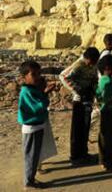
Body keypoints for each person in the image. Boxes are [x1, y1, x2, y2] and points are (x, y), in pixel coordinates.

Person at [59, 47, 100, 165]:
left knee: (85, 128)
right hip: (79, 100)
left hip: (88, 99)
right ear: (87, 58)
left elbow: (94, 79)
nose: (93, 64)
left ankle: (83, 153)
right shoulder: (78, 65)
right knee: (77, 129)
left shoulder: (92, 65)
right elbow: (63, 76)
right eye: (92, 61)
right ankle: (75, 156)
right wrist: (77, 89)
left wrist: (93, 89)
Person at [18, 60, 54, 189]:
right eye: (34, 74)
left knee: (34, 156)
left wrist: (43, 93)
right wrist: (45, 94)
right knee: (31, 157)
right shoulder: (27, 92)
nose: (38, 77)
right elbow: (38, 107)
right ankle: (29, 181)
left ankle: (31, 179)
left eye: (39, 74)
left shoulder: (32, 89)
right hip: (31, 128)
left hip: (37, 126)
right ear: (24, 77)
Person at [96, 55, 112, 171]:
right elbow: (106, 99)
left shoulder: (104, 80)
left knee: (106, 138)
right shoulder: (107, 82)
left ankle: (105, 161)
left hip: (108, 113)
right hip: (109, 114)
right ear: (108, 67)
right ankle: (109, 163)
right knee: (110, 139)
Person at [36, 76, 57, 174]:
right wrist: (45, 93)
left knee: (42, 142)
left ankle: (38, 164)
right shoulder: (34, 93)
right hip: (37, 123)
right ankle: (37, 167)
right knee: (38, 144)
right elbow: (39, 106)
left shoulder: (37, 92)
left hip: (42, 120)